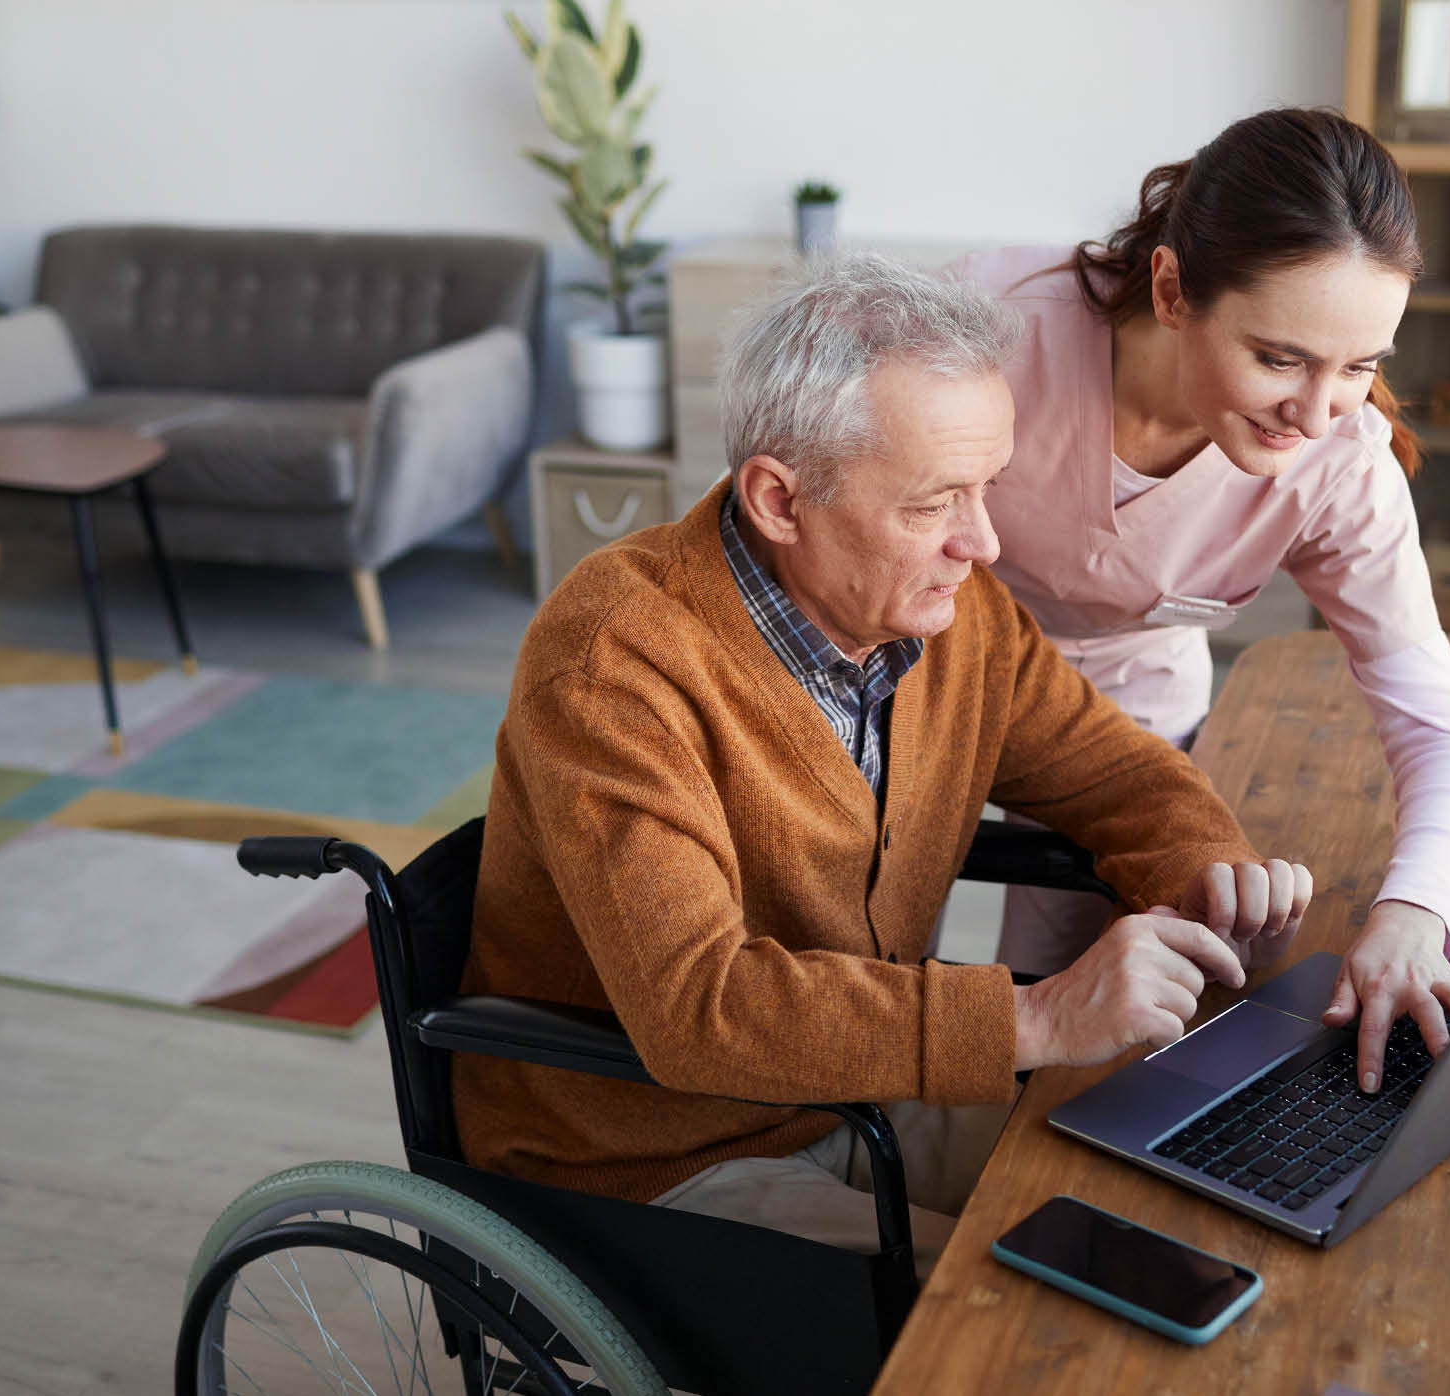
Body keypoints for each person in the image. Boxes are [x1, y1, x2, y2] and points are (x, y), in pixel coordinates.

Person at [452, 253, 1312, 1274]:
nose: (982, 543)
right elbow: (699, 1009)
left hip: (858, 1095)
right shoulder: (612, 661)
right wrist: (1033, 1016)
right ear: (779, 499)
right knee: (1034, 1309)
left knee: (1188, 1187)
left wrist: (1209, 866)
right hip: (654, 1154)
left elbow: (1106, 769)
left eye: (986, 488)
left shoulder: (951, 616)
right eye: (933, 504)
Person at [948, 107, 1450, 1095]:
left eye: (1360, 365)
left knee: (1093, 1038)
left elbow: (1438, 720)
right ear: (1170, 288)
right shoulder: (984, 336)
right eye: (1280, 357)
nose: (1316, 410)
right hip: (925, 682)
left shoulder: (1337, 463)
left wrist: (1417, 911)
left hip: (1127, 727)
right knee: (890, 978)